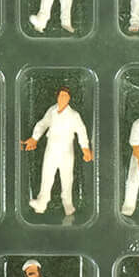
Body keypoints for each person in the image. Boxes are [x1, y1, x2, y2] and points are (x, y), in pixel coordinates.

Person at [21, 86, 91, 216]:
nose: (63, 98)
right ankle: (41, 202)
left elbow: (81, 131)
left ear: (69, 99)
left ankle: (68, 205)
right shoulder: (52, 111)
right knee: (47, 174)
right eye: (61, 96)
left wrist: (85, 149)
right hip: (51, 147)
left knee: (66, 177)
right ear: (57, 97)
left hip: (66, 149)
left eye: (65, 96)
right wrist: (34, 138)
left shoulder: (74, 115)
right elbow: (43, 124)